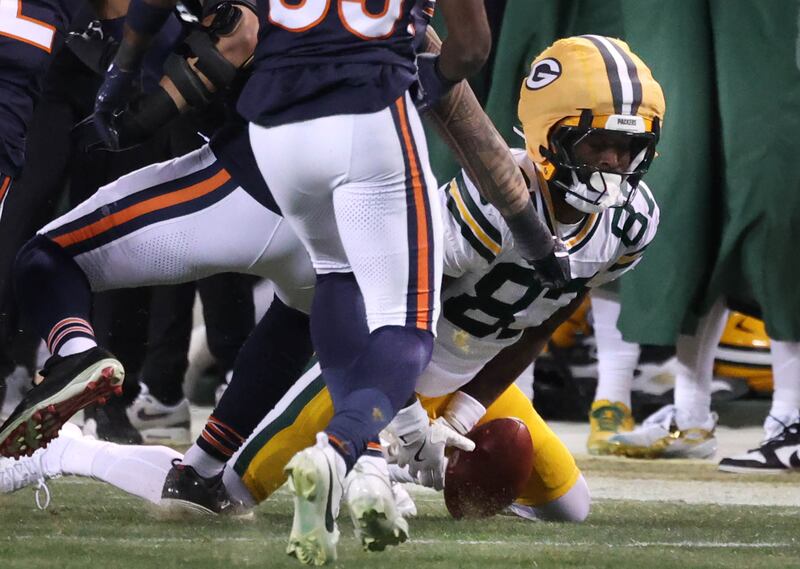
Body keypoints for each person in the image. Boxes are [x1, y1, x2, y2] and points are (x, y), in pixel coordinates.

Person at [2, 32, 664, 551]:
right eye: (600, 144)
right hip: (366, 312)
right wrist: (406, 422)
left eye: (628, 149)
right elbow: (389, 300)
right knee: (214, 488)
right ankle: (69, 450)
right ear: (552, 133)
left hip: (440, 355)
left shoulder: (631, 221)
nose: (614, 165)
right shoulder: (478, 211)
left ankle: (379, 466)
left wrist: (459, 416)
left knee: (567, 505)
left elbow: (539, 319)